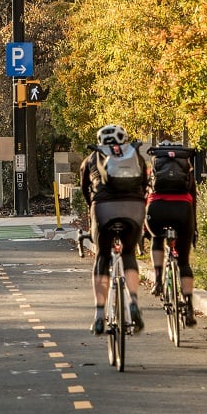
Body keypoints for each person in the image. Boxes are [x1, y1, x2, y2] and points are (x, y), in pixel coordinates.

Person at [80, 124, 148, 335]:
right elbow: (145, 184)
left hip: (103, 210)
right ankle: (134, 303)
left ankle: (99, 315)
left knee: (102, 255)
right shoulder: (135, 156)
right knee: (128, 253)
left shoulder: (92, 158)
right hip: (134, 209)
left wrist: (92, 207)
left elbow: (85, 189)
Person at [145, 141, 200, 326]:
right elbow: (193, 201)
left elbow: (144, 194)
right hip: (183, 211)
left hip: (157, 210)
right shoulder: (188, 172)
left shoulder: (152, 169)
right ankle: (189, 307)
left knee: (156, 237)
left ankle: (158, 280)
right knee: (183, 261)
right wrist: (194, 229)